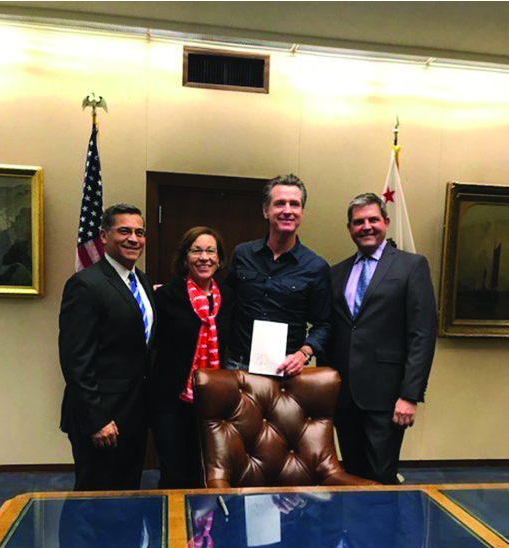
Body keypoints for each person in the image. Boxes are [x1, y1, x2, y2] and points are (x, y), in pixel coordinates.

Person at [329, 193, 437, 484]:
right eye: (358, 222)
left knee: (380, 479)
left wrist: (410, 395)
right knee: (351, 476)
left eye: (373, 219)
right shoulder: (336, 273)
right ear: (349, 228)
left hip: (387, 398)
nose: (366, 226)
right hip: (344, 397)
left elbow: (422, 334)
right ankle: (354, 531)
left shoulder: (411, 266)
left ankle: (381, 531)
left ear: (386, 222)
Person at [59, 203, 156, 491]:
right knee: (93, 499)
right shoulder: (85, 285)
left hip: (135, 413)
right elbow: (76, 360)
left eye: (140, 232)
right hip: (102, 417)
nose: (133, 239)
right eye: (124, 231)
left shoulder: (142, 282)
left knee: (126, 494)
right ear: (103, 236)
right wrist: (97, 419)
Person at [150, 227, 234, 488]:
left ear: (219, 259)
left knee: (208, 475)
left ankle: (206, 530)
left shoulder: (230, 299)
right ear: (185, 257)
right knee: (175, 475)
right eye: (196, 250)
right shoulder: (164, 296)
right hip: (170, 404)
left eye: (211, 251)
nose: (204, 257)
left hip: (213, 404)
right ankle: (173, 528)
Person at [226, 174, 332, 376]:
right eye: (280, 203)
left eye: (294, 204)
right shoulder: (243, 254)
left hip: (285, 371)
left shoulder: (316, 267)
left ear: (302, 212)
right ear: (266, 211)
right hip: (238, 367)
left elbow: (324, 325)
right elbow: (223, 301)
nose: (287, 211)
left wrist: (303, 354)